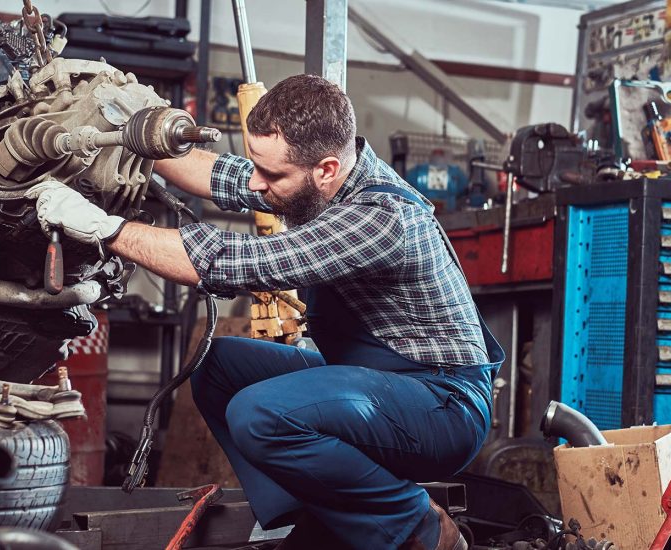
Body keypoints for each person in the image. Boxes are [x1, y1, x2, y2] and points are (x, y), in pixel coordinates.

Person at [27, 74, 504, 550]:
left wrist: (103, 228)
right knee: (216, 366)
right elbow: (218, 173)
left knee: (260, 415)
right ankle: (308, 513)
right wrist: (138, 132)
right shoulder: (317, 181)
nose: (257, 183)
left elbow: (232, 262)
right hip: (377, 377)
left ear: (326, 169)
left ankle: (421, 527)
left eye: (272, 175)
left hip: (442, 404)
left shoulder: (379, 216)